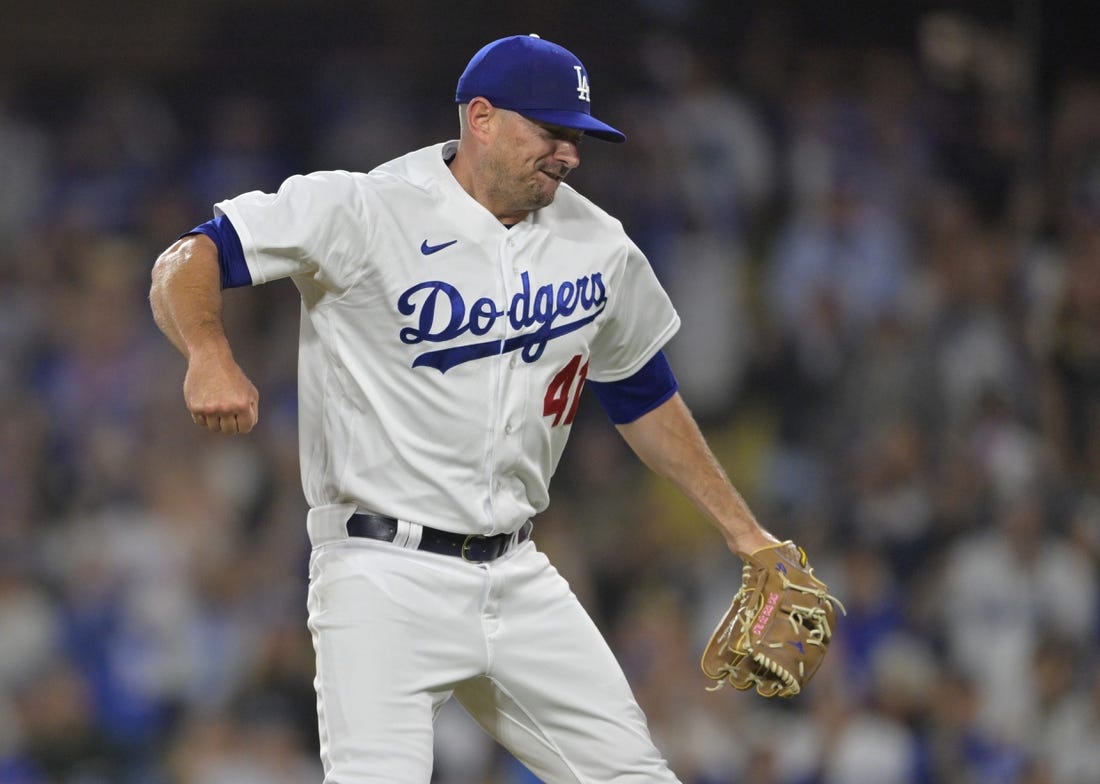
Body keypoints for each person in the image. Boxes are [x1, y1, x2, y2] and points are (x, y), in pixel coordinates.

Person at [150, 34, 780, 783]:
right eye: (550, 132)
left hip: (518, 573)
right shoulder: (365, 208)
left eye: (576, 137)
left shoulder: (598, 244)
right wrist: (209, 354)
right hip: (380, 571)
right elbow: (188, 259)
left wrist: (746, 534)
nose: (569, 154)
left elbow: (642, 392)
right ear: (481, 118)